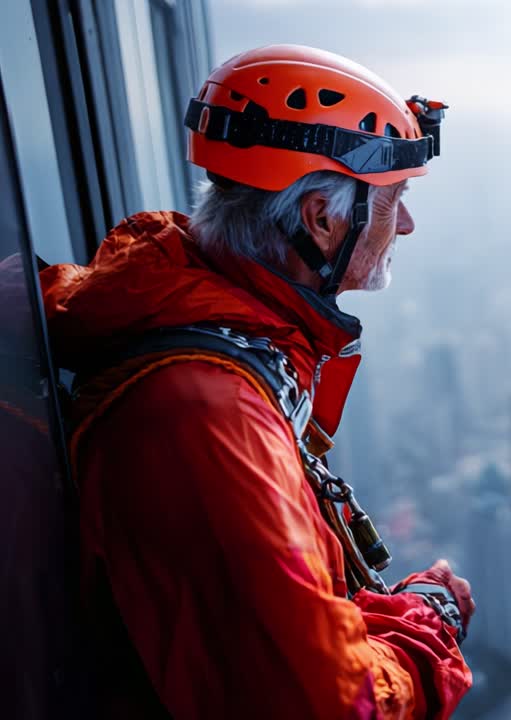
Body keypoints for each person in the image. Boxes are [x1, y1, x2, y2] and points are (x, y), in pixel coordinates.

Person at [38, 45, 473, 719]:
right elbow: (329, 704)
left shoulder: (222, 337)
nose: (407, 225)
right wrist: (428, 625)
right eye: (396, 199)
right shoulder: (210, 414)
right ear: (322, 219)